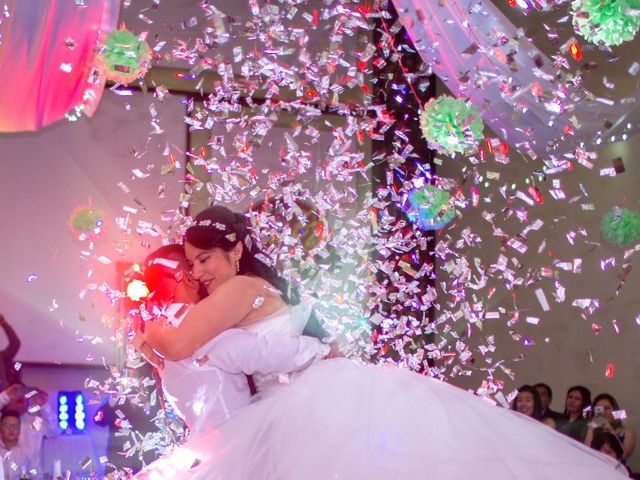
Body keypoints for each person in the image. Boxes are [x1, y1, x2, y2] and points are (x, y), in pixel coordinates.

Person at [132, 205, 628, 480]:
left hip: (303, 405)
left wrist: (147, 329)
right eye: (192, 263)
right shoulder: (258, 288)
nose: (198, 273)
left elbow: (179, 346)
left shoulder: (239, 287)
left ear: (236, 251)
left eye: (205, 260)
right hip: (302, 399)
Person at [133, 243, 329, 435]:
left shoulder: (156, 342)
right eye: (194, 267)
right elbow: (262, 353)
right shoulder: (198, 332)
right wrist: (319, 348)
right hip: (243, 443)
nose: (200, 274)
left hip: (204, 451)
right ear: (188, 278)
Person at [0, 382, 58, 478]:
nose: (20, 397)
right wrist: (5, 396)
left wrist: (44, 405)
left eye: (23, 393)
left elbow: (54, 431)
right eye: (15, 393)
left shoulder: (36, 421)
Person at [584, 393, 636, 461]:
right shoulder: (589, 430)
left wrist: (608, 428)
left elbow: (623, 455)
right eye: (599, 409)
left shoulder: (628, 432)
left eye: (607, 408)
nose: (603, 412)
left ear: (615, 411)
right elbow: (585, 453)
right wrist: (591, 427)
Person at [0, 409, 33, 479]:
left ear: (19, 429)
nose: (11, 429)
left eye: (15, 426)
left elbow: (37, 476)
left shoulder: (29, 452)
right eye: (7, 425)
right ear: (1, 428)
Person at [0, 314, 21, 387]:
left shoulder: (2, 357)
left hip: (5, 393)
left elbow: (15, 343)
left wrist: (4, 323)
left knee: (18, 365)